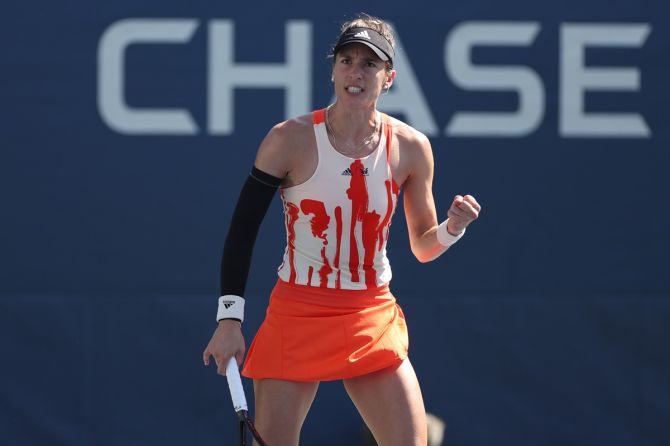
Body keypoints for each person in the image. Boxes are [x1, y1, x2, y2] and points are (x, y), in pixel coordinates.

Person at [203, 13, 481, 446]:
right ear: (333, 69)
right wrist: (229, 320)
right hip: (296, 310)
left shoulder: (411, 148)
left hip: (370, 313)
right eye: (347, 60)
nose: (356, 72)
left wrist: (452, 228)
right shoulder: (286, 139)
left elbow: (424, 247)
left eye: (369, 64)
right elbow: (242, 231)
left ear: (388, 78)